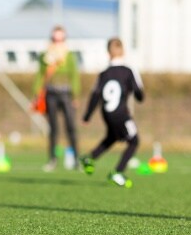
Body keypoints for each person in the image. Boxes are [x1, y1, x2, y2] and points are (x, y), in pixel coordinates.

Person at [79, 37, 144, 188]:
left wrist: (87, 116)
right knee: (134, 141)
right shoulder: (128, 70)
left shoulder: (104, 73)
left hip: (106, 112)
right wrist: (139, 95)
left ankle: (90, 158)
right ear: (123, 51)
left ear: (108, 53)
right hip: (121, 113)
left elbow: (95, 95)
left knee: (113, 137)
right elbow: (139, 92)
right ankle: (118, 172)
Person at [33, 26, 80, 172]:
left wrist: (76, 95)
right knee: (53, 129)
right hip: (51, 94)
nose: (57, 42)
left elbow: (74, 76)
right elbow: (40, 75)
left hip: (66, 94)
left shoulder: (69, 56)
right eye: (55, 39)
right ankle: (52, 159)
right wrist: (36, 93)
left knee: (71, 127)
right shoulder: (45, 55)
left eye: (61, 39)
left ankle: (76, 159)